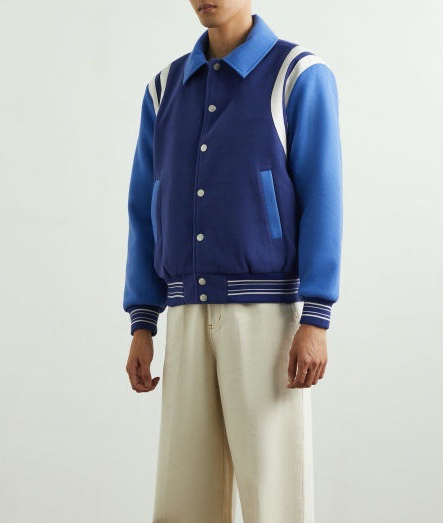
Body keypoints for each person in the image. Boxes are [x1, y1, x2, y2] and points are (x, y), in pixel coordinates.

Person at [123, 1, 342, 521]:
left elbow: (323, 196)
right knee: (184, 497)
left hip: (266, 317)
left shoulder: (297, 75)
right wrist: (143, 320)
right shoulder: (164, 89)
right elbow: (144, 207)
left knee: (275, 497)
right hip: (186, 315)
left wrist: (316, 316)